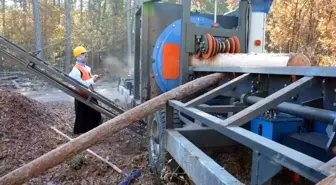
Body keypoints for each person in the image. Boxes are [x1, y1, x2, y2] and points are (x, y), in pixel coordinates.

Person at [68, 46, 102, 135]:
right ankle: (81, 133)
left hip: (89, 93)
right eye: (84, 55)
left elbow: (87, 78)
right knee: (82, 116)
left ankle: (94, 131)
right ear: (78, 57)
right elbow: (79, 84)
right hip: (82, 95)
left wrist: (93, 78)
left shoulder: (86, 68)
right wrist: (92, 80)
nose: (86, 56)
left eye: (86, 55)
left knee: (94, 113)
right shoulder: (75, 70)